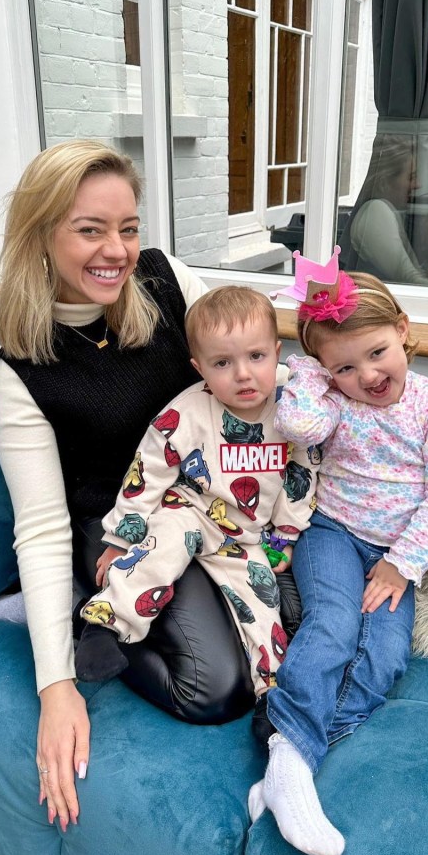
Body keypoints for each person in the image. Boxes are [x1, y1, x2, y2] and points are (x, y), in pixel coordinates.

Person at [0, 141, 299, 835]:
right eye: (90, 229)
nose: (118, 250)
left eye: (127, 227)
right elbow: (38, 527)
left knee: (291, 621)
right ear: (42, 234)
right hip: (120, 530)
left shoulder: (166, 281)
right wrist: (55, 683)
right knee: (214, 689)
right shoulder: (22, 374)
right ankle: (87, 617)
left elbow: (245, 352)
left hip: (214, 503)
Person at [253, 252, 428, 855]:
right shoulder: (332, 401)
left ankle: (286, 755)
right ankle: (293, 762)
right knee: (333, 626)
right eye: (345, 367)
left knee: (385, 657)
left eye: (377, 353)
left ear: (401, 329)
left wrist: (403, 563)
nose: (368, 375)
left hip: (396, 555)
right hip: (331, 535)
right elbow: (297, 425)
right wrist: (314, 376)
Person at [74, 286, 318, 710]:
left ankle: (272, 704)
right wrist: (119, 538)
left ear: (277, 353)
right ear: (199, 368)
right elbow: (146, 472)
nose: (243, 374)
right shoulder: (185, 413)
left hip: (246, 539)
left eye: (256, 357)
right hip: (188, 510)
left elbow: (302, 475)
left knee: (266, 617)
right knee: (158, 553)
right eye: (223, 363)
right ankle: (104, 625)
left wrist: (286, 536)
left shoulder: (294, 410)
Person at [338, 134, 428, 287]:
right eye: (411, 177)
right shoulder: (376, 212)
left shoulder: (385, 211)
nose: (417, 185)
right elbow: (408, 278)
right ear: (384, 182)